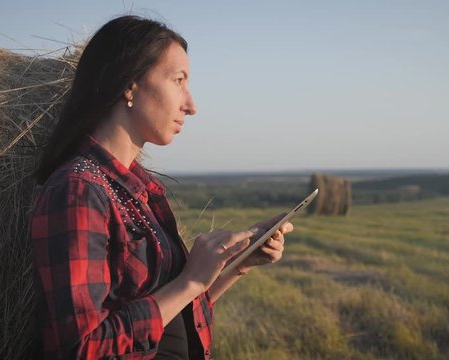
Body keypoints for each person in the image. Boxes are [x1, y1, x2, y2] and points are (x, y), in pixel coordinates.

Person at [30, 15, 293, 360]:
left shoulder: (141, 188)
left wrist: (238, 264)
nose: (191, 105)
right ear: (129, 84)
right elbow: (84, 348)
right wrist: (190, 281)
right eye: (178, 80)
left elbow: (171, 316)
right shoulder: (79, 191)